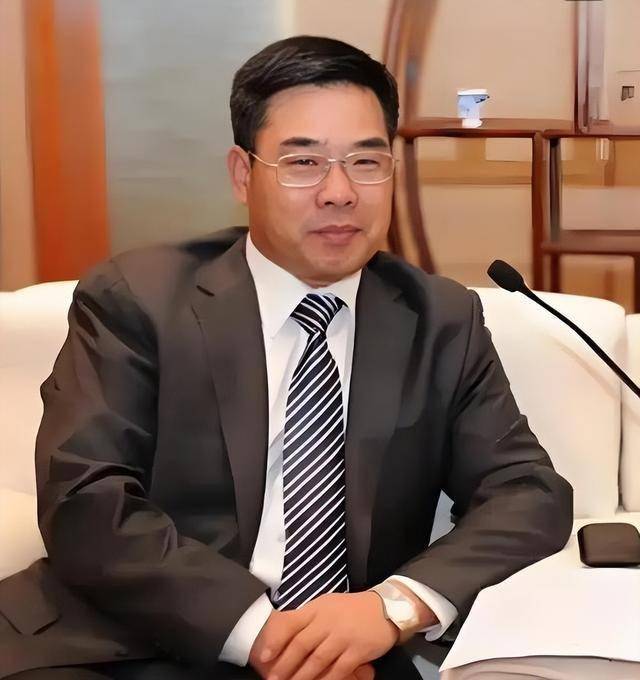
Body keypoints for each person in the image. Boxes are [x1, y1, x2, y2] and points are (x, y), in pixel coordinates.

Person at [0, 36, 573, 680]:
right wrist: (265, 638)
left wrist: (394, 607)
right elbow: (85, 497)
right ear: (243, 175)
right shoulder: (138, 299)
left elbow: (527, 493)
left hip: (356, 650)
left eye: (366, 161)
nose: (339, 192)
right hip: (130, 645)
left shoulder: (441, 318)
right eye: (303, 162)